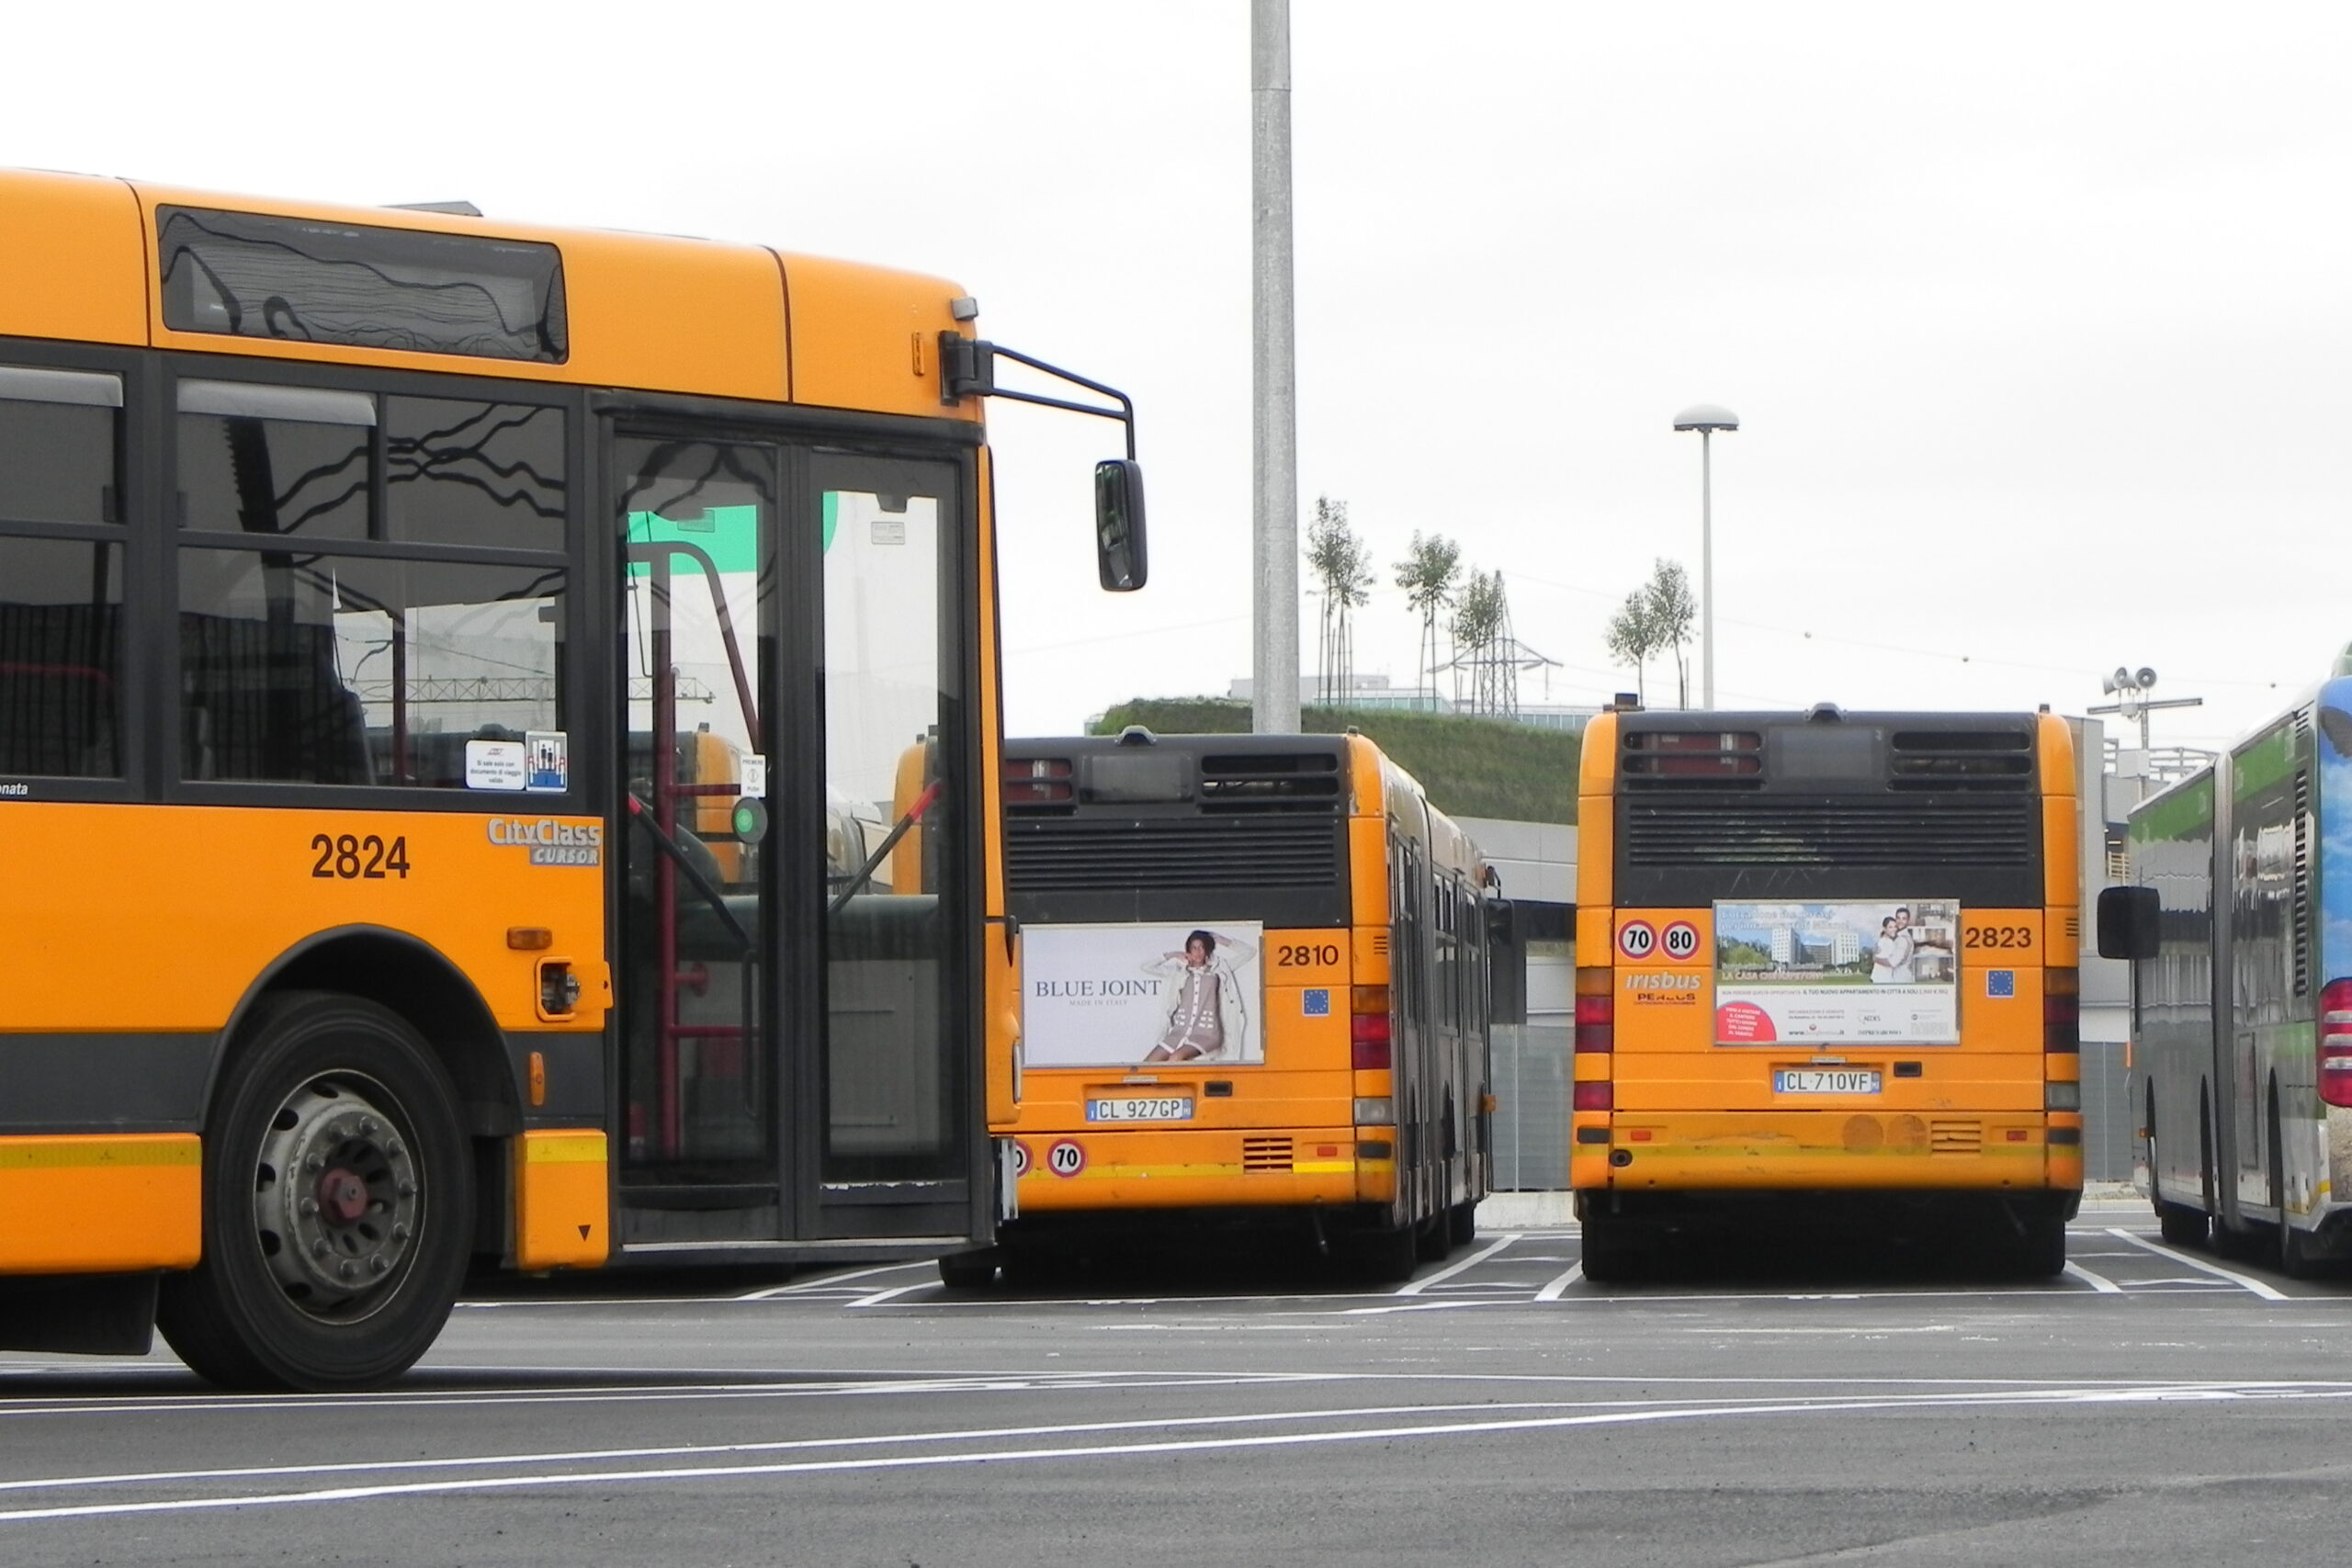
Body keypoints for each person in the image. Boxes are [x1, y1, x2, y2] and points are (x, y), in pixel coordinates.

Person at [1142, 929, 1256, 1063]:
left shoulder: (1219, 970)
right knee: (1148, 1064)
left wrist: (1222, 940)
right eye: (1194, 948)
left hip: (1207, 1034)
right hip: (1178, 1032)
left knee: (1176, 1058)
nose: (1198, 952)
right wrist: (1173, 955)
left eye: (1202, 947)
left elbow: (1249, 952)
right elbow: (1146, 967)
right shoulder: (1179, 973)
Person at [1870, 917, 1902, 984]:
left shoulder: (1883, 941)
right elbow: (1890, 962)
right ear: (1884, 929)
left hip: (1880, 978)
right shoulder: (1887, 943)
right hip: (1882, 979)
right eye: (1890, 927)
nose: (1894, 929)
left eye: (1895, 926)